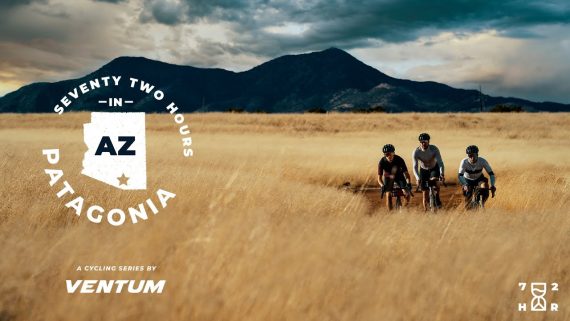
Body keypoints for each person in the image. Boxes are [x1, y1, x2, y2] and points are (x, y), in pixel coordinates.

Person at [412, 133, 445, 210]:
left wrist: (442, 173)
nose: (423, 143)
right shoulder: (416, 152)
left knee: (435, 180)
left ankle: (437, 196)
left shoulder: (434, 149)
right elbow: (415, 166)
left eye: (425, 142)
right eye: (421, 142)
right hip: (423, 170)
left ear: (428, 142)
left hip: (434, 168)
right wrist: (417, 178)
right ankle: (425, 211)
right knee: (425, 193)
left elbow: (440, 162)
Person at [378, 144, 412, 210]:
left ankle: (404, 208)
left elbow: (406, 174)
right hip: (388, 177)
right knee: (388, 195)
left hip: (399, 176)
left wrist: (408, 183)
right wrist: (382, 185)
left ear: (394, 153)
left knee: (406, 193)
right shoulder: (382, 162)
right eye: (386, 155)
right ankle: (390, 213)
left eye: (390, 154)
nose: (389, 156)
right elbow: (379, 178)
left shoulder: (399, 159)